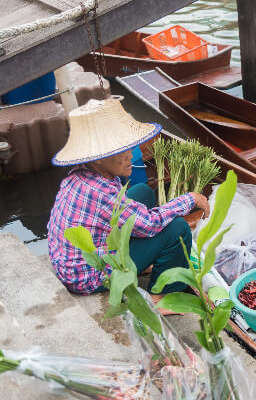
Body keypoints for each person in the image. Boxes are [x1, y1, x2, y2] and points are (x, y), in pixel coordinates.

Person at [47, 98, 210, 306]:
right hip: (89, 275)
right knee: (177, 228)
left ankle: (147, 262)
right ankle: (161, 296)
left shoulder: (80, 174)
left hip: (69, 262)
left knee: (142, 192)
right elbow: (150, 224)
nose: (130, 155)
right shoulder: (102, 193)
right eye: (122, 150)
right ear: (98, 157)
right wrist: (190, 199)